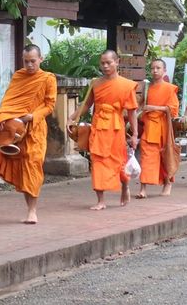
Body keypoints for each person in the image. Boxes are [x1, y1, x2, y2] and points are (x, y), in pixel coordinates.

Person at [0, 45, 57, 224]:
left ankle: (33, 211)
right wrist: (3, 117)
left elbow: (50, 105)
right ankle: (29, 209)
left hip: (35, 129)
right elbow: (8, 102)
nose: (30, 65)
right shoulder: (19, 76)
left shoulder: (48, 79)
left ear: (41, 59)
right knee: (22, 169)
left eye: (33, 61)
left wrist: (32, 116)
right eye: (26, 61)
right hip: (16, 131)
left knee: (33, 165)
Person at [72, 50, 138, 210]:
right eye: (102, 63)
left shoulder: (127, 85)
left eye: (109, 62)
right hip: (99, 127)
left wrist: (135, 134)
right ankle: (100, 200)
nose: (105, 66)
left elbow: (131, 111)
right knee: (98, 162)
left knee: (118, 162)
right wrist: (72, 117)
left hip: (116, 129)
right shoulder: (96, 83)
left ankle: (125, 186)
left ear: (117, 62)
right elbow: (87, 104)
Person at [135, 58, 179, 199]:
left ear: (164, 70)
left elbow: (173, 110)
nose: (155, 71)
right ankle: (143, 188)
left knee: (163, 156)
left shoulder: (169, 88)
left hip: (162, 127)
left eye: (158, 68)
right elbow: (139, 105)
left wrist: (154, 108)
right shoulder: (147, 88)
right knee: (146, 157)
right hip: (149, 127)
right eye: (153, 68)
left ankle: (167, 183)